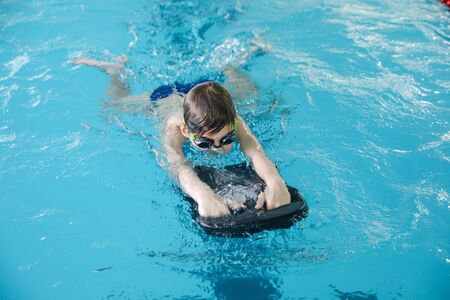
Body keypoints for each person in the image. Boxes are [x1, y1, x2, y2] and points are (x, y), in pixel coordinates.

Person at [71, 55, 291, 218]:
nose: (217, 149)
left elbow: (255, 150)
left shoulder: (234, 120)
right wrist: (203, 193)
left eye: (226, 139)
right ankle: (115, 71)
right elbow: (176, 163)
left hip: (209, 96)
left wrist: (275, 180)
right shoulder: (174, 129)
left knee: (250, 90)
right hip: (164, 97)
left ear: (232, 124)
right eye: (204, 143)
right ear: (187, 132)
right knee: (114, 105)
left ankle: (230, 65)